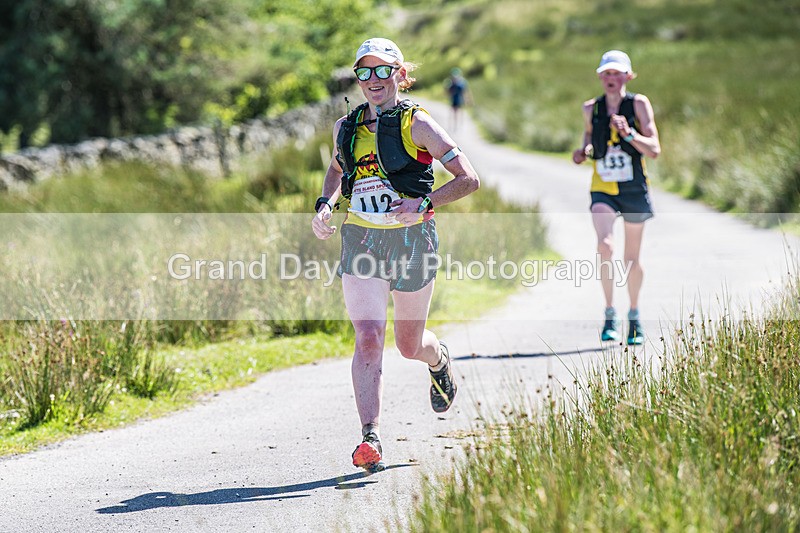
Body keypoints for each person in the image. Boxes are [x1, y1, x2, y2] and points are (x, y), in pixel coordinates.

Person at [311, 38, 480, 472]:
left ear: (400, 75)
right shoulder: (344, 128)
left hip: (412, 241)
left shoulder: (417, 123)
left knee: (408, 345)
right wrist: (326, 204)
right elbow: (335, 168)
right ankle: (371, 437)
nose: (372, 80)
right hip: (361, 240)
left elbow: (469, 179)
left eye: (382, 70)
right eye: (363, 72)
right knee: (368, 336)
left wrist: (423, 205)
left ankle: (438, 359)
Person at [571, 50, 661, 346]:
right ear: (600, 76)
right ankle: (610, 313)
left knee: (631, 258)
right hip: (603, 187)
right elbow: (588, 140)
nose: (611, 79)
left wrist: (629, 132)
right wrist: (582, 153)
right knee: (604, 245)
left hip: (634, 187)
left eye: (617, 73)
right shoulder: (590, 108)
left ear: (628, 76)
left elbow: (654, 149)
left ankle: (634, 315)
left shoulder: (638, 104)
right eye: (606, 73)